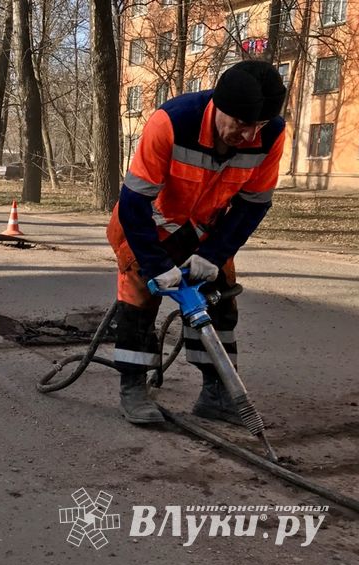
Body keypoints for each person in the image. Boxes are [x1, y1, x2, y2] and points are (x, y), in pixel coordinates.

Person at [107, 60, 286, 426]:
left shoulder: (271, 135)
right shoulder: (171, 122)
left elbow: (253, 206)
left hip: (206, 231)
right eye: (240, 124)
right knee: (141, 297)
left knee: (219, 300)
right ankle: (134, 389)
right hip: (149, 227)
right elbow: (134, 203)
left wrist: (214, 255)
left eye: (259, 126)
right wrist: (158, 265)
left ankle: (217, 395)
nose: (249, 136)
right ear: (219, 107)